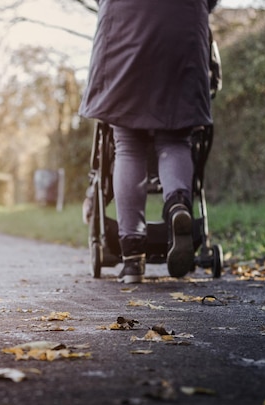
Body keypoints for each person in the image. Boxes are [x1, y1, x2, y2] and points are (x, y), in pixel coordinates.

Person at [79, 0, 218, 282]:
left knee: (128, 144)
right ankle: (178, 204)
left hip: (123, 36)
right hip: (183, 36)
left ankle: (132, 259)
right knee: (176, 139)